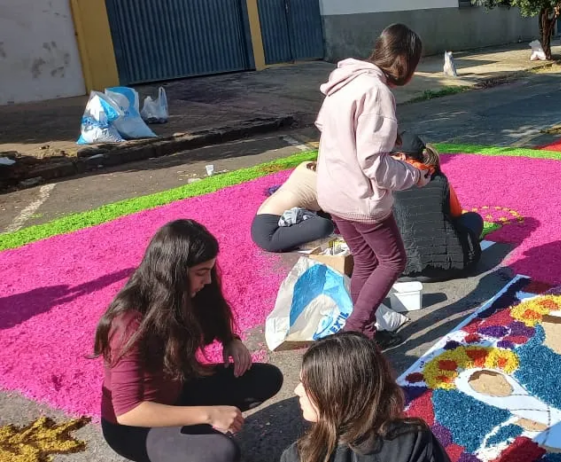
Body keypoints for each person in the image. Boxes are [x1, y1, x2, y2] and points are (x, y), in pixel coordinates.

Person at [94, 219, 284, 462]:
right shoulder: (129, 323)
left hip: (179, 389)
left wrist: (231, 340)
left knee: (266, 378)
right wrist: (208, 414)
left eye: (209, 271)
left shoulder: (184, 294)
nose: (207, 281)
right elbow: (128, 411)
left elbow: (214, 320)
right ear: (172, 273)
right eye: (201, 273)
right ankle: (185, 441)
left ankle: (193, 435)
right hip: (137, 427)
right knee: (222, 454)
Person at [315, 23, 431, 350]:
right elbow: (373, 163)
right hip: (359, 196)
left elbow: (333, 130)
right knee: (393, 260)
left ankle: (366, 327)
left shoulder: (345, 80)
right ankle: (356, 332)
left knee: (366, 262)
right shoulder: (377, 91)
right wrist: (414, 175)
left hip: (333, 190)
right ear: (405, 62)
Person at [280, 332, 450, 462]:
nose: (297, 390)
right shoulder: (412, 440)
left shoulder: (300, 455)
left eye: (307, 385)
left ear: (337, 397)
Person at [390, 133, 484, 283]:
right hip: (451, 267)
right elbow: (456, 213)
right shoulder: (439, 179)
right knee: (473, 219)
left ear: (401, 156)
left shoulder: (388, 182)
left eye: (389, 156)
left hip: (404, 271)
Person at [250, 161, 336, 253]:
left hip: (261, 220)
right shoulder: (325, 185)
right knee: (325, 226)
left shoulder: (305, 165)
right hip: (270, 234)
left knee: (325, 216)